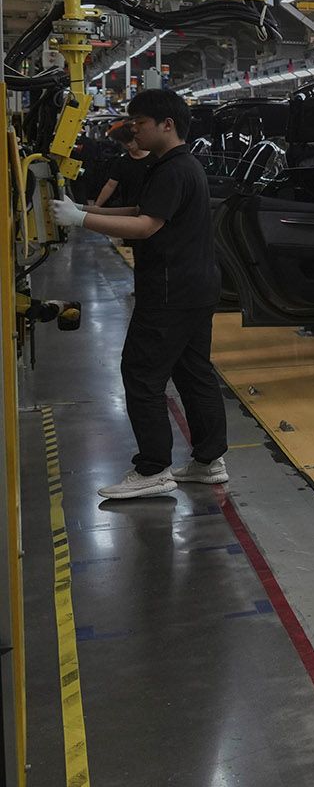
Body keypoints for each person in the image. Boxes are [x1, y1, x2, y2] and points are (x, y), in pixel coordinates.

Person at [50, 89, 229, 500]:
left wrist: (81, 220)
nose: (134, 131)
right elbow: (136, 210)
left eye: (140, 123)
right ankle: (208, 461)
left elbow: (147, 226)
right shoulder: (178, 166)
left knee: (141, 374)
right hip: (196, 285)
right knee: (193, 372)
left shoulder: (171, 170)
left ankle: (153, 469)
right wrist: (85, 212)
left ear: (167, 124)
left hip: (170, 290)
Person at [92, 122, 150, 209]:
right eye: (124, 142)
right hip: (128, 207)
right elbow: (110, 185)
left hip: (150, 205)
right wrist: (97, 206)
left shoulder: (155, 158)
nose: (128, 145)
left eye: (130, 141)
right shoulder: (121, 162)